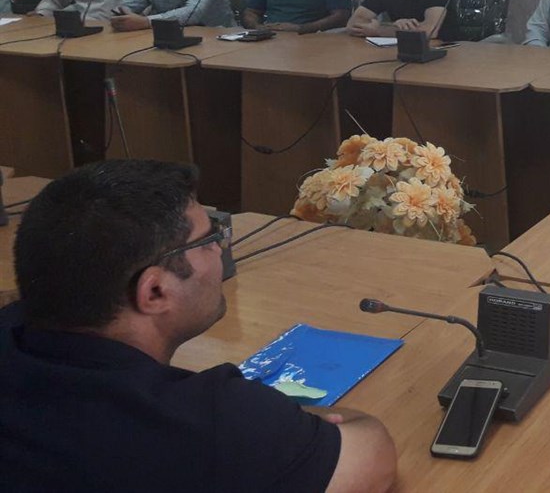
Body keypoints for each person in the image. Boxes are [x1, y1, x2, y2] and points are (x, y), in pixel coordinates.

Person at [0, 159, 397, 493]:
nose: (221, 248)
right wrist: (287, 423)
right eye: (209, 240)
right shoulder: (208, 425)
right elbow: (371, 455)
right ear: (154, 291)